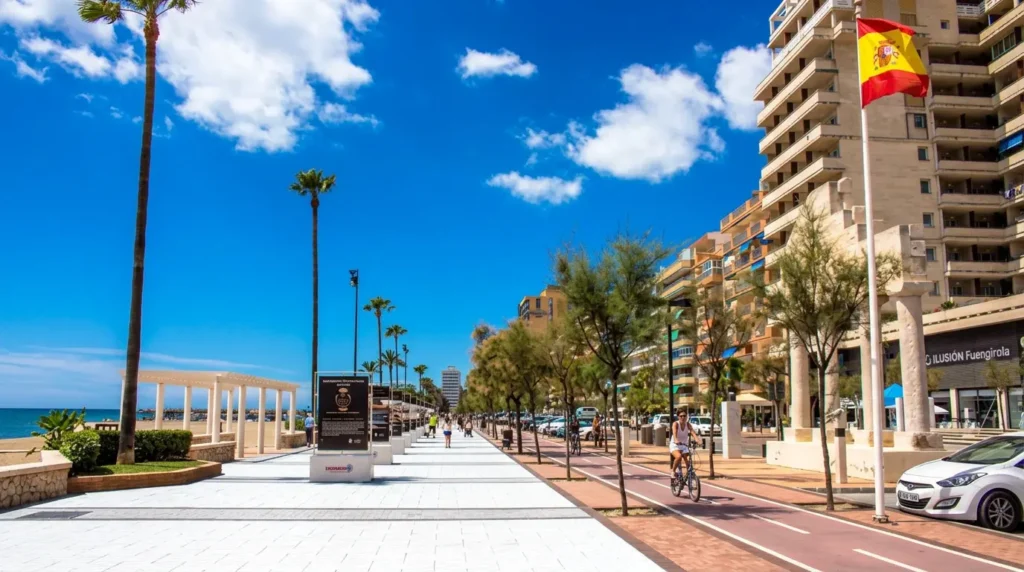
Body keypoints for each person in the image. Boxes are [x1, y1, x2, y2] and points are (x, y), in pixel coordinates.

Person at [670, 412, 700, 480]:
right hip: (675, 445)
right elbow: (674, 433)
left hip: (684, 445)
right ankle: (673, 472)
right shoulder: (675, 424)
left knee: (687, 458)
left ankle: (689, 474)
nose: (683, 417)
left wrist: (697, 440)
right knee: (678, 457)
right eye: (681, 416)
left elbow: (692, 432)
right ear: (678, 417)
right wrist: (676, 440)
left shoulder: (688, 424)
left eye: (684, 416)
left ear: (686, 417)